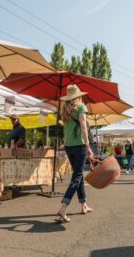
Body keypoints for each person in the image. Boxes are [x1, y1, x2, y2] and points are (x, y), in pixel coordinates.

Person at [56, 85, 94, 223]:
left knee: (78, 176)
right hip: (79, 145)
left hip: (68, 145)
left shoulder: (64, 109)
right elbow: (83, 126)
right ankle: (63, 207)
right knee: (77, 176)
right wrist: (88, 145)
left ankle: (84, 205)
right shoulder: (81, 107)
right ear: (78, 96)